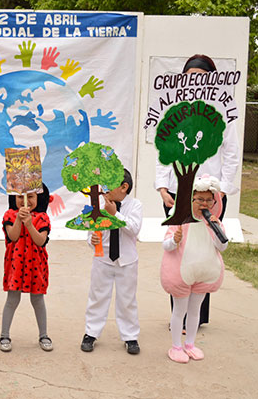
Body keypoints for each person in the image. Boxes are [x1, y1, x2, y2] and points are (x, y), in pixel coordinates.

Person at [155, 54, 239, 326]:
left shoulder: (224, 110)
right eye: (190, 76)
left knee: (204, 251)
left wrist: (222, 190)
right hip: (179, 193)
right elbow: (163, 149)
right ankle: (177, 315)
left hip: (208, 194)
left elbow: (232, 153)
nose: (195, 82)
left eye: (201, 77)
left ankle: (198, 316)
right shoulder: (176, 108)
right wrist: (163, 186)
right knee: (178, 250)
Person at [161, 175, 226, 363]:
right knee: (179, 310)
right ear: (190, 200)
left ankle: (190, 344)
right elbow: (166, 245)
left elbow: (222, 246)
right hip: (182, 273)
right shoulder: (180, 219)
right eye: (199, 199)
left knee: (195, 309)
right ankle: (176, 346)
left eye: (208, 200)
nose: (204, 204)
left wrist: (216, 228)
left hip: (204, 273)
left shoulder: (213, 222)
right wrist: (175, 240)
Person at [80, 169, 142, 355]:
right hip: (103, 259)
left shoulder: (135, 205)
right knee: (97, 296)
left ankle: (130, 336)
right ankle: (91, 332)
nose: (104, 188)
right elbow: (92, 233)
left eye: (110, 183)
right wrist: (92, 241)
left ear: (124, 187)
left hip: (127, 261)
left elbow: (134, 229)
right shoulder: (98, 205)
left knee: (127, 299)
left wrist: (114, 214)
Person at [0, 185, 53, 352]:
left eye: (31, 196)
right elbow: (12, 236)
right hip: (15, 265)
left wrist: (29, 224)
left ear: (39, 199)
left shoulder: (43, 218)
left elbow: (40, 241)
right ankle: (4, 335)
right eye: (20, 196)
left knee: (37, 300)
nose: (25, 201)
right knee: (12, 299)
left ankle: (43, 335)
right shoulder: (9, 215)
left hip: (36, 266)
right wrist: (18, 220)